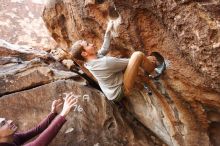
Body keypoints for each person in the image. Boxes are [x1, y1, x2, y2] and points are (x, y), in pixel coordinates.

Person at [69, 21, 157, 102]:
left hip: (110, 92)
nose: (92, 44)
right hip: (120, 91)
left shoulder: (89, 62)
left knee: (135, 58)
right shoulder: (104, 63)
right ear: (84, 53)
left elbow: (104, 49)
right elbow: (131, 62)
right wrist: (146, 59)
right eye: (88, 45)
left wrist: (108, 32)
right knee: (138, 55)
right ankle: (155, 72)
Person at [0, 94, 77, 146]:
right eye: (3, 123)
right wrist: (63, 114)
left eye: (6, 120)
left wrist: (53, 113)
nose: (10, 121)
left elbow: (37, 129)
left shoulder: (13, 138)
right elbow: (39, 143)